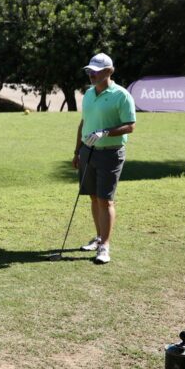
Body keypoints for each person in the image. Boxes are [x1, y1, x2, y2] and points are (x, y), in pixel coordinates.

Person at [73, 53, 136, 264]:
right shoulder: (89, 94)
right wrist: (76, 152)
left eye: (96, 71)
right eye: (89, 71)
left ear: (109, 72)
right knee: (93, 196)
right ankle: (99, 237)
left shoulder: (122, 95)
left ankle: (105, 247)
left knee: (105, 200)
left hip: (111, 153)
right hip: (87, 152)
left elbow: (130, 125)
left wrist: (106, 132)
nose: (91, 74)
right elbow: (84, 123)